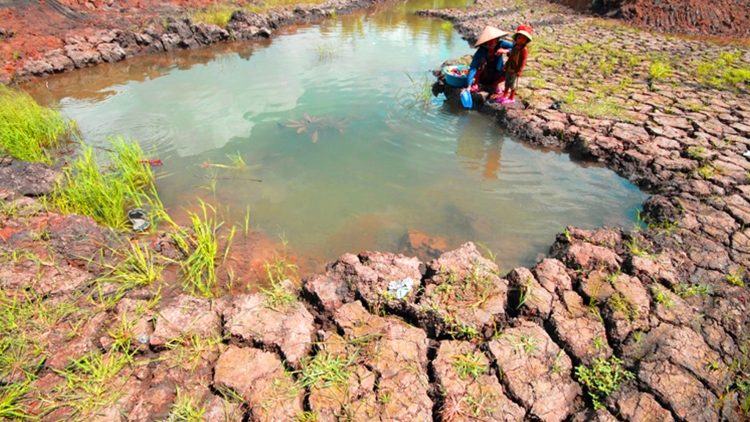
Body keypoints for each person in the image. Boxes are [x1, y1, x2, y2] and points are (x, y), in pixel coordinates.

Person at [467, 26, 514, 95]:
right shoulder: (481, 50)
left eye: (494, 40)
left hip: (496, 72)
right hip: (484, 75)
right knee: (481, 61)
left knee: (511, 68)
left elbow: (515, 48)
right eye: (489, 40)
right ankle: (477, 83)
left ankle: (495, 84)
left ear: (497, 39)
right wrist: (469, 85)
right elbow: (473, 67)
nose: (492, 42)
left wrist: (507, 50)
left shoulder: (501, 44)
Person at [496, 24, 532, 105]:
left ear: (526, 40)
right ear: (516, 38)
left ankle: (511, 97)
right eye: (519, 38)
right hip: (510, 67)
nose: (521, 40)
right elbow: (511, 57)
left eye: (523, 39)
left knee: (513, 84)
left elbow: (523, 60)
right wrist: (506, 65)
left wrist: (520, 70)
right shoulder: (515, 46)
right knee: (507, 82)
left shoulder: (524, 49)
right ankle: (505, 95)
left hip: (515, 69)